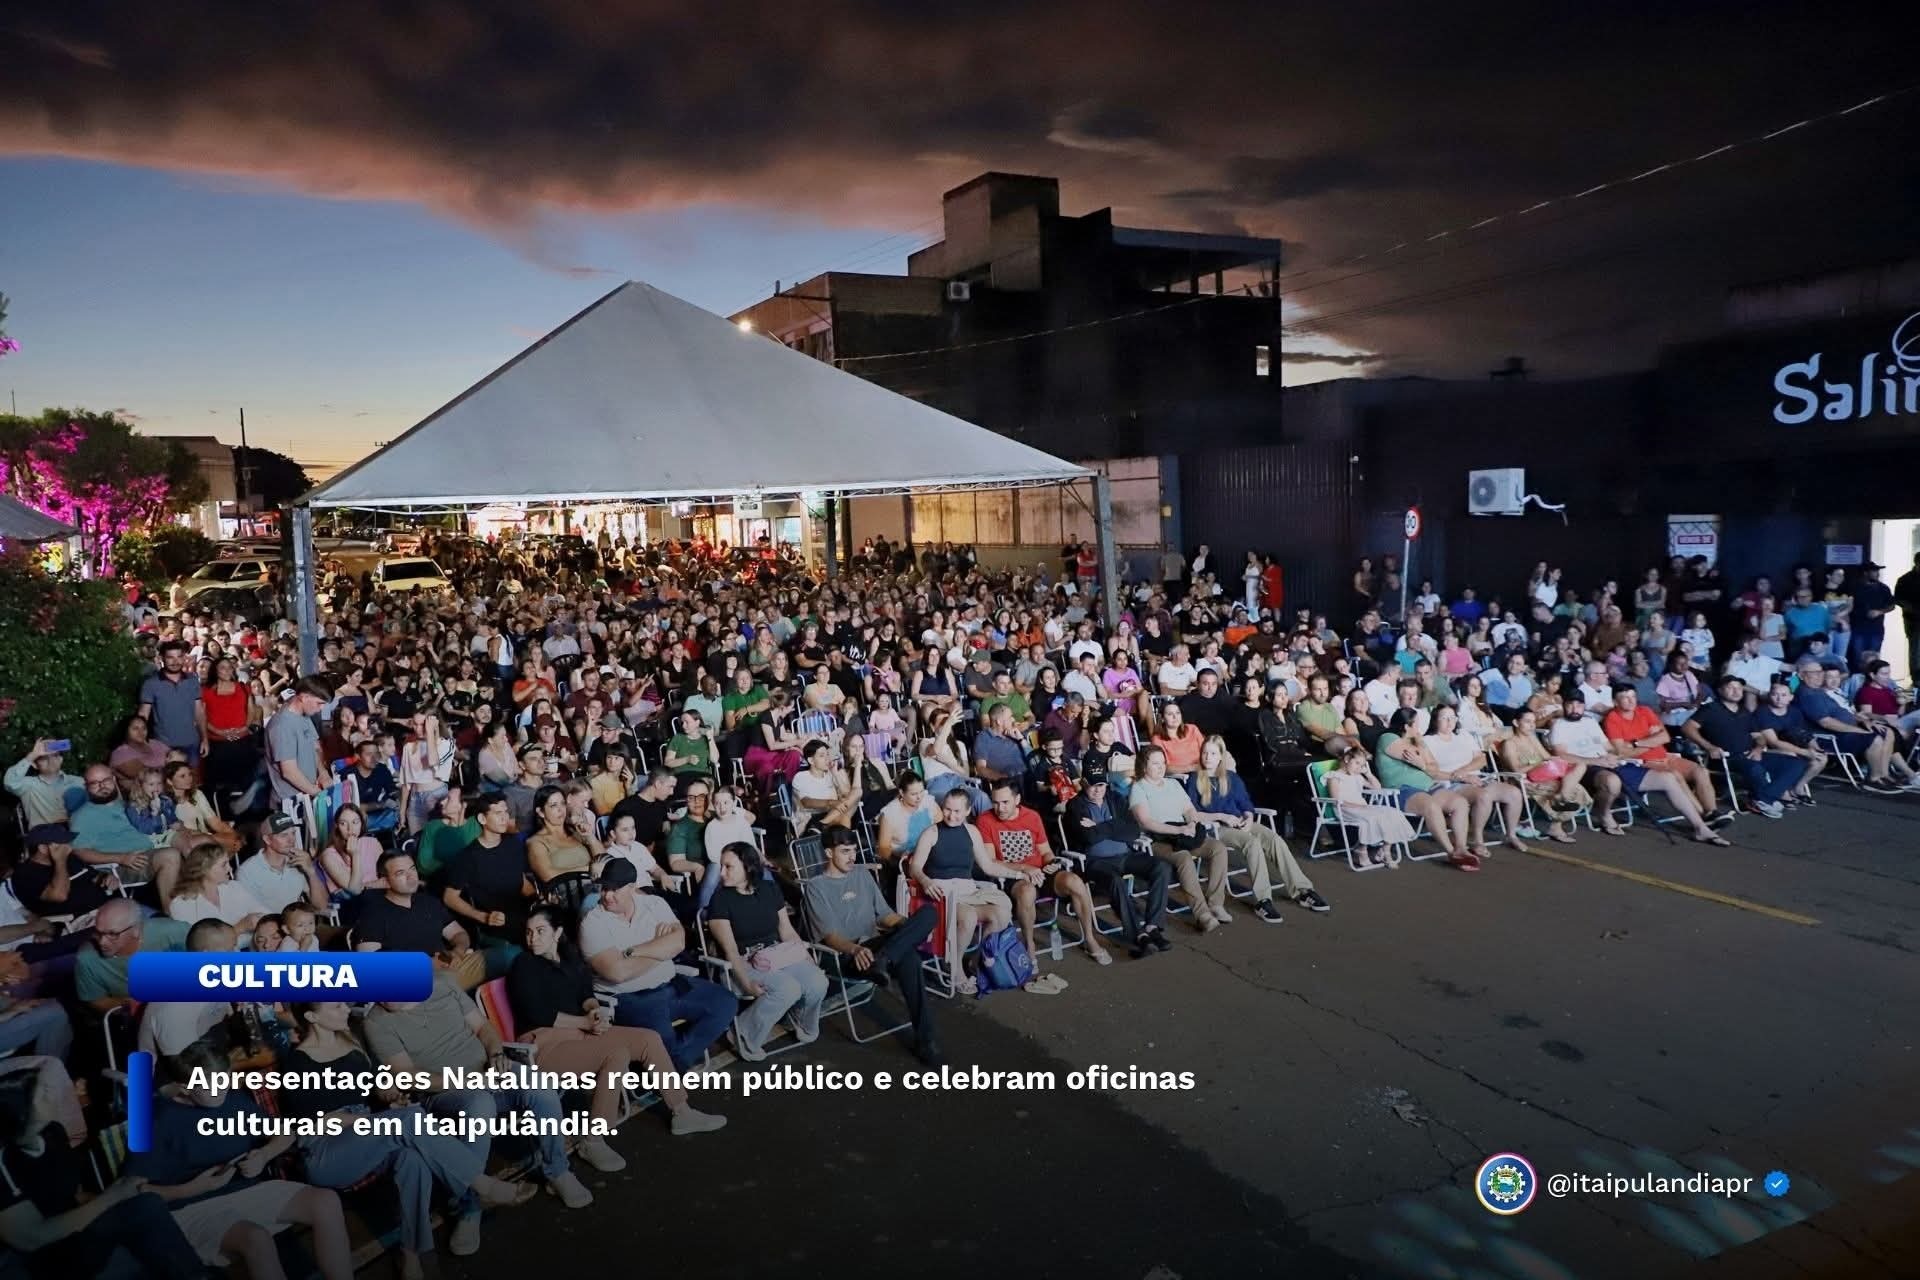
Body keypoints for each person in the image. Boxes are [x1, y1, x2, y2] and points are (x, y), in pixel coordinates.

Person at [279, 1001, 537, 1275]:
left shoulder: (350, 1043)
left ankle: (410, 1252)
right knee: (408, 1120)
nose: (346, 1009)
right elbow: (316, 1122)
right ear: (311, 1016)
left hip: (366, 1137)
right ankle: (482, 1185)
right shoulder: (298, 1063)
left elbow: (372, 1091)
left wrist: (387, 1095)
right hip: (326, 1153)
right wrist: (379, 1121)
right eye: (336, 1007)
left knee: (412, 1159)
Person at [363, 971, 597, 1210]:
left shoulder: (442, 984)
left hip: (487, 1071)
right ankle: (469, 1206)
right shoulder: (376, 1022)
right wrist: (469, 1081)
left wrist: (496, 1054)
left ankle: (558, 1172)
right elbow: (408, 1075)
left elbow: (482, 1026)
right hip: (444, 1092)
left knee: (539, 1085)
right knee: (479, 1104)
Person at [125, 1041, 354, 1280]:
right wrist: (193, 1188)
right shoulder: (159, 1120)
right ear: (185, 1087)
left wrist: (264, 1155)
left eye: (223, 1080)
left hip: (245, 1191)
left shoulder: (234, 1101)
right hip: (193, 1208)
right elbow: (136, 1191)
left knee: (325, 1201)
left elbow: (285, 1134)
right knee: (256, 1238)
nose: (219, 1090)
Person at [507, 905, 726, 1136]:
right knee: (616, 1054)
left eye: (540, 931)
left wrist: (594, 1011)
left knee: (648, 1039)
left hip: (580, 1033)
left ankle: (682, 1112)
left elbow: (586, 995)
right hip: (544, 1044)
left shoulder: (570, 959)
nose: (533, 938)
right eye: (529, 932)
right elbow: (538, 1013)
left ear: (557, 932)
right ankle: (594, 1139)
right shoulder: (524, 964)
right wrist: (585, 1023)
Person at [0, 1067, 206, 1280]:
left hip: (80, 1230)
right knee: (144, 1208)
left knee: (144, 1205)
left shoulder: (53, 1132)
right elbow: (32, 1238)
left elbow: (75, 1194)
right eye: (43, 1093)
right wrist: (114, 1196)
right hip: (49, 1255)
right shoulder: (5, 1163)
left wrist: (123, 1195)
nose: (52, 1094)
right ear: (22, 1109)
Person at [803, 827, 943, 1064]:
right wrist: (855, 949)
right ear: (828, 853)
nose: (852, 857)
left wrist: (909, 927)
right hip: (848, 955)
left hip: (877, 948)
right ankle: (926, 1040)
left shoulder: (861, 874)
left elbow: (885, 915)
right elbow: (829, 937)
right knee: (909, 958)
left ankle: (885, 960)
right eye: (845, 851)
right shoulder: (816, 886)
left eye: (854, 851)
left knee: (929, 913)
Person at [579, 859, 736, 1069]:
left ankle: (673, 1065)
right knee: (662, 1042)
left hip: (670, 984)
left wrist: (632, 951)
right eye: (605, 888)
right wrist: (661, 948)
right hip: (630, 997)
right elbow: (617, 972)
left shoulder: (654, 904)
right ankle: (671, 1068)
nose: (607, 895)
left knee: (725, 1002)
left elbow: (679, 943)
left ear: (632, 887)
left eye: (615, 890)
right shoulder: (592, 923)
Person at [706, 841, 830, 1059]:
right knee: (788, 989)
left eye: (728, 867)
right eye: (722, 866)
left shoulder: (769, 889)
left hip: (776, 955)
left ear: (748, 867)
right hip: (743, 962)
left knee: (818, 980)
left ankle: (799, 1017)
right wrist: (747, 984)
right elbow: (731, 951)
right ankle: (742, 1033)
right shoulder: (720, 900)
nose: (722, 873)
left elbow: (787, 932)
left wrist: (808, 960)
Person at [1186, 736, 1329, 919]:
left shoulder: (1232, 778)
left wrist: (1249, 818)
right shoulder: (1195, 779)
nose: (1208, 757)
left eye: (1213, 753)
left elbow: (1246, 804)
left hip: (1239, 822)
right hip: (1215, 827)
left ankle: (1303, 890)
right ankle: (1263, 900)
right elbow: (1193, 814)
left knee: (1274, 839)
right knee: (1251, 843)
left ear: (1221, 756)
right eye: (1205, 753)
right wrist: (1222, 816)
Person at [977, 779, 1110, 969]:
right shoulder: (985, 820)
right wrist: (1024, 869)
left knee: (1075, 881)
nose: (1000, 808)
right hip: (1012, 874)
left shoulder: (1031, 816)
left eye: (1005, 802)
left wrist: (1052, 863)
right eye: (995, 803)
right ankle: (1029, 945)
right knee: (1027, 892)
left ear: (1017, 799)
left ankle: (1090, 939)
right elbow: (991, 861)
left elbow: (1046, 851)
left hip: (1041, 870)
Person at [905, 790, 1018, 995]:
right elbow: (915, 867)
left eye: (957, 811)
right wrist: (925, 880)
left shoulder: (972, 832)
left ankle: (977, 961)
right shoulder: (931, 833)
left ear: (967, 811)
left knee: (1001, 914)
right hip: (942, 894)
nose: (951, 815)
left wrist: (1019, 875)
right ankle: (955, 967)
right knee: (969, 916)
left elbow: (987, 866)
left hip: (968, 891)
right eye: (947, 809)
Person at [1128, 745, 1233, 929]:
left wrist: (1191, 823)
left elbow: (1190, 810)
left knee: (1218, 848)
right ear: (1144, 766)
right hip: (1159, 840)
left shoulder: (1173, 784)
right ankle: (1202, 914)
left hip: (1184, 834)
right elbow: (1146, 822)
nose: (1161, 767)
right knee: (1184, 858)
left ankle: (1216, 904)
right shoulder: (1138, 788)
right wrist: (1179, 830)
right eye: (1155, 763)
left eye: (1163, 763)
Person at [1682, 673, 1809, 818]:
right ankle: (1764, 799)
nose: (1736, 691)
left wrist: (1758, 749)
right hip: (1727, 758)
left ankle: (1762, 798)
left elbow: (1758, 736)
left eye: (1739, 688)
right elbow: (1687, 728)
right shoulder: (1710, 709)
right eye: (1731, 688)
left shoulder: (1744, 711)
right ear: (1720, 690)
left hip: (1750, 754)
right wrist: (1708, 746)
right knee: (1755, 768)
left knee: (1795, 763)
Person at [355, 851, 485, 988]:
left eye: (412, 869)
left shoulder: (429, 902)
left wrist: (458, 950)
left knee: (497, 957)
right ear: (385, 881)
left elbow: (458, 933)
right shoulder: (373, 915)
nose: (411, 876)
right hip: (415, 982)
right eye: (400, 873)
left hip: (450, 967)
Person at [1421, 705, 1532, 858]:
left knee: (1513, 793)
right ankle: (1477, 840)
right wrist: (1461, 777)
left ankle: (1511, 835)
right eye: (1444, 718)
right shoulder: (1427, 741)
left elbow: (1481, 759)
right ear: (1435, 720)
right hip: (1449, 783)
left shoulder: (1463, 735)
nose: (1449, 721)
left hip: (1475, 778)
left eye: (1452, 717)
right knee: (1483, 796)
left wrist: (1464, 771)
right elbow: (1430, 771)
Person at [1499, 708, 1587, 844]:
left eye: (1533, 722)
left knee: (1579, 770)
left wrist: (1558, 760)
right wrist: (1538, 763)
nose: (1532, 725)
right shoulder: (1509, 744)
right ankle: (1556, 825)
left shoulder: (1532, 738)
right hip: (1524, 780)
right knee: (1575, 789)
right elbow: (1516, 770)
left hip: (1544, 774)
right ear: (1516, 723)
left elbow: (1546, 757)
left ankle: (1560, 804)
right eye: (1527, 722)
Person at [1325, 745, 1419, 867]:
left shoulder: (1357, 776)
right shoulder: (1334, 777)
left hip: (1362, 808)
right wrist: (1358, 806)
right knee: (1372, 817)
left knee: (1393, 813)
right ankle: (1361, 850)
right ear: (1347, 759)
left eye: (1362, 765)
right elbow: (1336, 800)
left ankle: (1385, 850)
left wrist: (1368, 774)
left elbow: (1377, 788)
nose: (1359, 768)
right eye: (1357, 763)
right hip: (1345, 809)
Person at [234, 811, 329, 915]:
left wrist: (311, 872)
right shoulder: (247, 871)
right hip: (268, 923)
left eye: (293, 833)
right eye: (284, 835)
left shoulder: (299, 862)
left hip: (295, 923)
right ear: (267, 840)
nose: (291, 840)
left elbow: (321, 906)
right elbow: (249, 914)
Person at [166, 843, 271, 936]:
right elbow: (196, 946)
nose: (230, 869)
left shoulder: (234, 887)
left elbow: (266, 914)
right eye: (224, 865)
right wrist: (239, 928)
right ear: (204, 869)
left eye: (229, 863)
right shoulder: (181, 904)